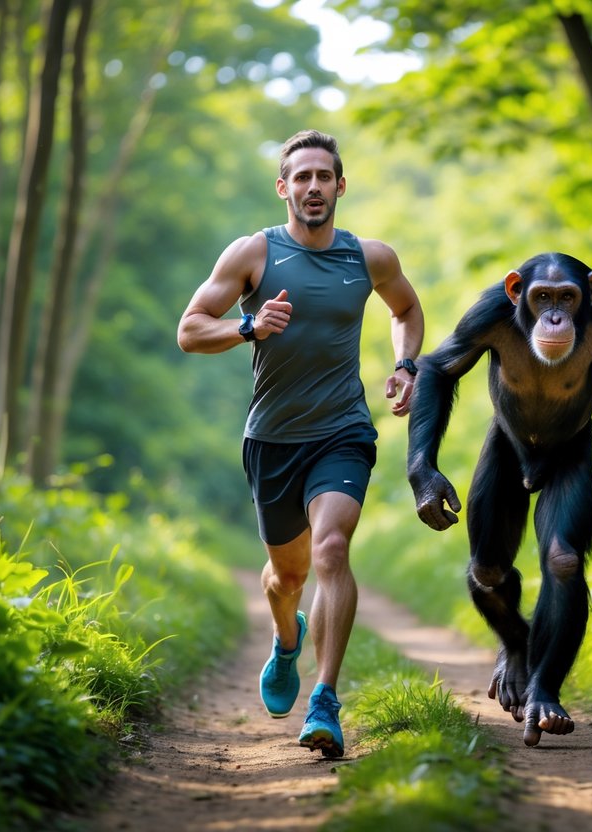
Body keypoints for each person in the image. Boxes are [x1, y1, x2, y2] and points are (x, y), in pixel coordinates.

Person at [177, 130, 424, 758]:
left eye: (325, 177)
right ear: (283, 187)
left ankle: (325, 700)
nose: (313, 187)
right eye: (302, 177)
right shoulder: (253, 254)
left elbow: (406, 311)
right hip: (273, 440)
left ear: (341, 186)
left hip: (343, 431)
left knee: (333, 549)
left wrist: (406, 366)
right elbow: (189, 330)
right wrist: (249, 326)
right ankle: (288, 642)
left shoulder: (370, 258)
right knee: (287, 578)